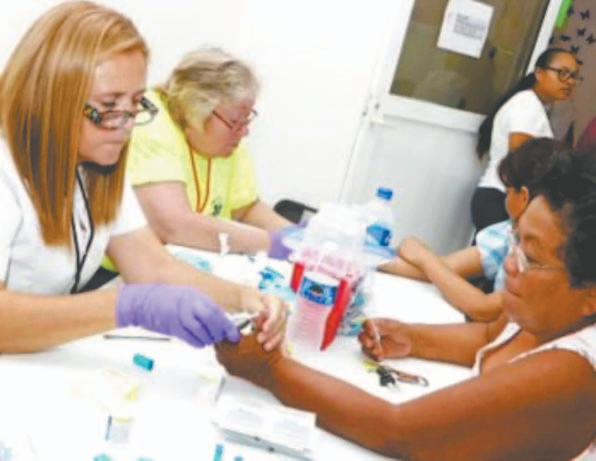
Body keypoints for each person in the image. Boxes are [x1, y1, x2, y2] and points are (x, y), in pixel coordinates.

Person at [217, 144, 596, 461]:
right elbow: (489, 337)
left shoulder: (574, 370)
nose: (511, 264)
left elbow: (399, 431)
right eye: (516, 240)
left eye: (531, 258)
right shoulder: (543, 313)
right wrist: (413, 338)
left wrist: (270, 369)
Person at [0, 1, 286, 354]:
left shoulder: (97, 166)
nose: (126, 125)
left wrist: (243, 298)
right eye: (108, 106)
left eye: (136, 104)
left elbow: (150, 265)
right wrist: (126, 306)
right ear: (50, 97)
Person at [124, 46, 293, 260]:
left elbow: (245, 209)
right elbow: (174, 226)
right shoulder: (149, 123)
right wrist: (272, 244)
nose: (244, 132)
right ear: (194, 110)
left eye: (247, 120)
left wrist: (297, 239)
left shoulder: (227, 139)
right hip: (123, 269)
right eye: (235, 122)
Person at [380, 138, 569, 321]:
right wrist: (377, 258)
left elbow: (484, 309)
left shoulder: (549, 256)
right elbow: (444, 269)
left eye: (508, 191)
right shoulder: (508, 231)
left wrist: (423, 256)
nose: (512, 265)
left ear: (523, 197)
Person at [471, 47, 579, 233]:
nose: (570, 81)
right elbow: (520, 162)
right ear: (539, 73)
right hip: (502, 200)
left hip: (502, 199)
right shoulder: (527, 105)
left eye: (574, 76)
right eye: (562, 74)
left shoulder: (534, 105)